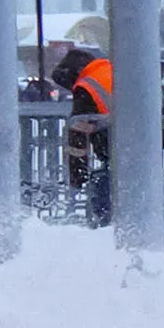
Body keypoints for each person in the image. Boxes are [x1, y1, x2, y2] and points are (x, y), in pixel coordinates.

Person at [51, 48, 113, 227]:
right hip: (146, 145)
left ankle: (106, 228)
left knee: (103, 184)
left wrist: (78, 178)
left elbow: (78, 135)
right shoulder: (111, 70)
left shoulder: (86, 86)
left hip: (120, 150)